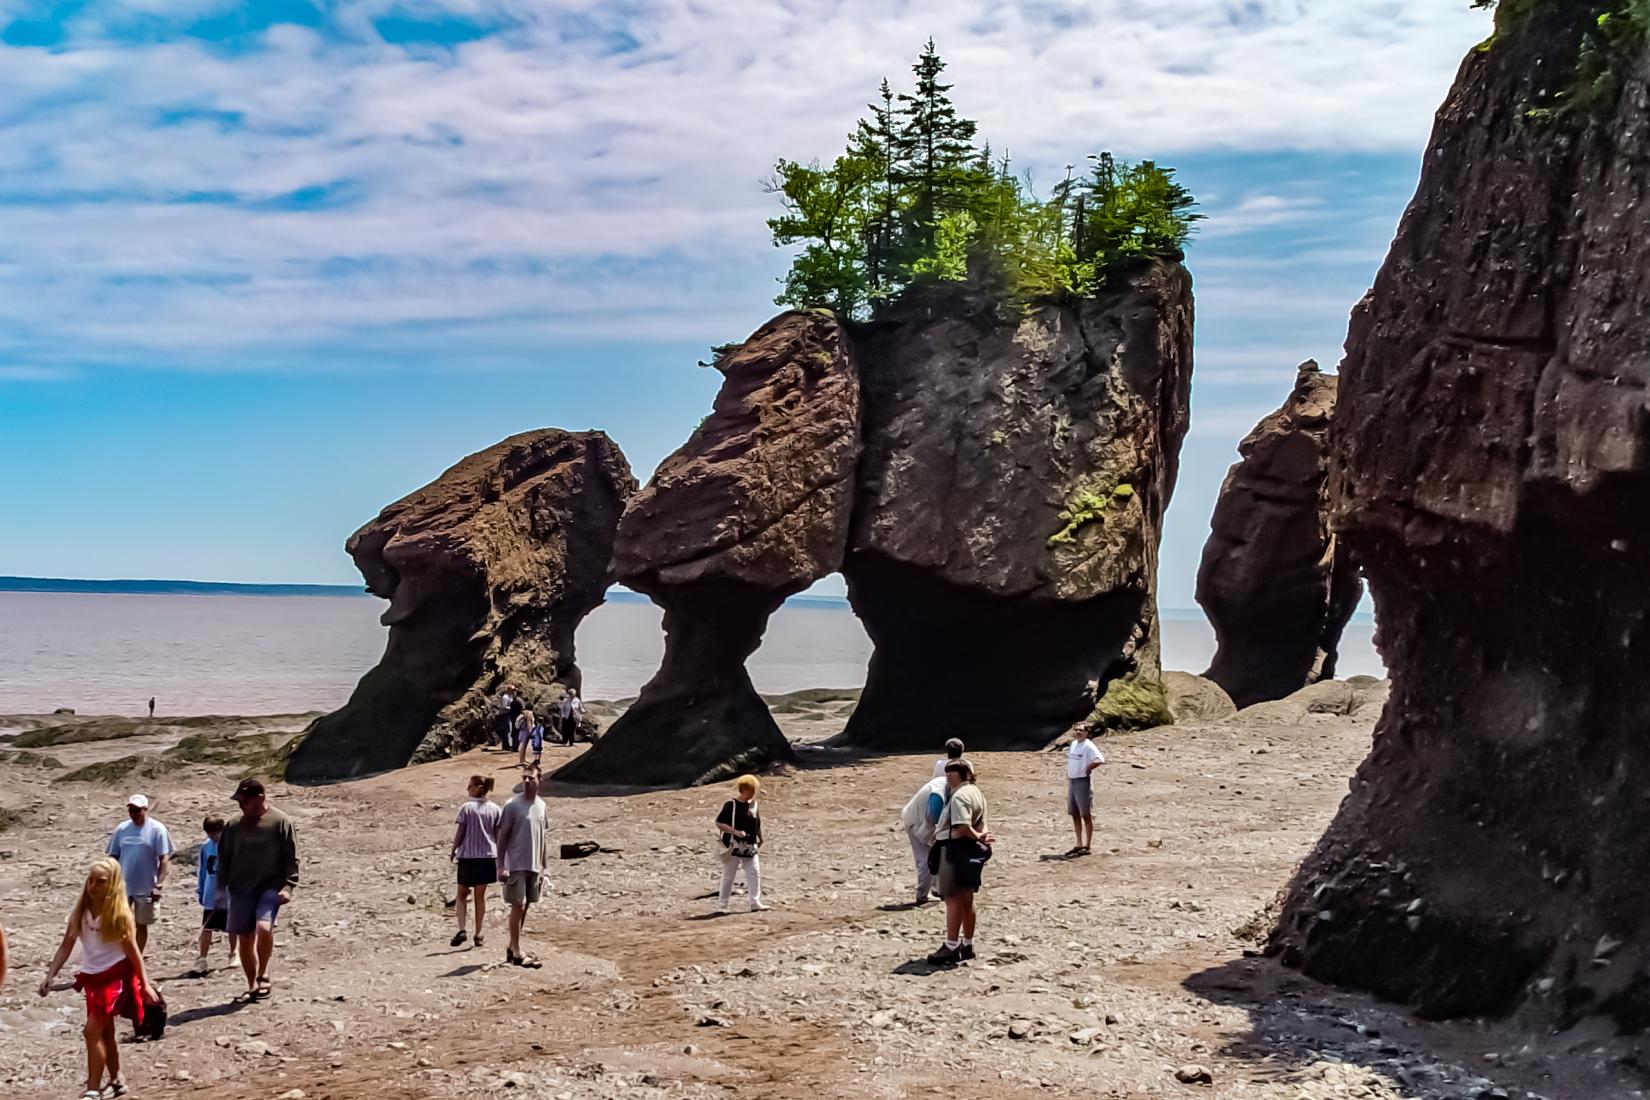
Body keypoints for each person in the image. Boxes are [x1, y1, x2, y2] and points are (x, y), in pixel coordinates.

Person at [38, 858, 157, 1099]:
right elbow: (66, 945)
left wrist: (145, 984)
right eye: (90, 880)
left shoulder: (119, 916)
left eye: (100, 882)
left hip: (116, 976)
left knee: (91, 1032)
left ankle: (93, 1089)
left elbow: (134, 953)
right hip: (92, 976)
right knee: (105, 1033)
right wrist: (50, 975)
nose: (93, 886)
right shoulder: (81, 912)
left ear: (111, 884)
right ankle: (117, 1080)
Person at [218, 778, 299, 1001]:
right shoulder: (232, 826)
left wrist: (288, 887)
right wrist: (219, 888)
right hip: (240, 889)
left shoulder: (280, 821)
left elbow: (291, 857)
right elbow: (223, 859)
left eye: (245, 801)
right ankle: (252, 983)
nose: (241, 806)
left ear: (261, 799)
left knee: (263, 928)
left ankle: (264, 972)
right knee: (244, 938)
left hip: (270, 887)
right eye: (239, 802)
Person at [926, 759, 992, 966]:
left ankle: (952, 945)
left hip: (955, 849)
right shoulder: (976, 792)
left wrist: (977, 837)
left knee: (952, 897)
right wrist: (981, 836)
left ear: (961, 775)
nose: (947, 778)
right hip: (969, 850)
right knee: (967, 896)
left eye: (950, 774)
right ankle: (968, 943)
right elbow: (981, 822)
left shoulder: (960, 796)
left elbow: (963, 827)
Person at [495, 768, 551, 968]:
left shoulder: (542, 805)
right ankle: (517, 952)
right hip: (516, 864)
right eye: (524, 778)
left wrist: (545, 865)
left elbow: (543, 836)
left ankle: (513, 946)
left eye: (531, 778)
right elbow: (501, 837)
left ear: (539, 780)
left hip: (534, 865)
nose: (527, 781)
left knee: (527, 904)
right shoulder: (512, 805)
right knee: (517, 905)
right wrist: (500, 865)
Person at [105, 794, 172, 953]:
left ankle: (137, 955)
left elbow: (164, 859)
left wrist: (159, 885)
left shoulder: (157, 829)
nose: (134, 814)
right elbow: (113, 855)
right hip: (123, 884)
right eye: (131, 810)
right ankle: (121, 953)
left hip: (146, 885)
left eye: (137, 810)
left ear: (145, 810)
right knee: (119, 921)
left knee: (141, 923)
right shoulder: (122, 829)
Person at [450, 774, 501, 948]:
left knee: (461, 894)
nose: (468, 788)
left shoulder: (467, 808)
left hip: (468, 856)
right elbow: (497, 834)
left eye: (470, 786)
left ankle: (462, 927)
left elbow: (461, 831)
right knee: (480, 897)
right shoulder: (495, 809)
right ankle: (478, 933)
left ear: (478, 787)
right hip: (487, 857)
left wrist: (453, 849)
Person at [715, 774, 767, 913]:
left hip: (750, 846)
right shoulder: (730, 805)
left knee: (754, 873)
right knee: (728, 876)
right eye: (751, 789)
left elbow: (757, 823)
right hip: (733, 846)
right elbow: (719, 823)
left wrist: (760, 837)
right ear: (744, 789)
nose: (753, 792)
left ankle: (755, 902)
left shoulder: (754, 805)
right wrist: (735, 832)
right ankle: (722, 905)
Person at [190, 815, 234, 976]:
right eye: (209, 833)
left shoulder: (231, 846)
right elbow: (202, 870)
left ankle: (233, 953)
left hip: (229, 893)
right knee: (207, 926)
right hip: (210, 892)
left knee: (232, 926)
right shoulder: (206, 847)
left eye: (215, 833)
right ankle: (202, 957)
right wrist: (201, 891)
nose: (212, 837)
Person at [899, 773, 948, 905]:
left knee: (934, 857)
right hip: (917, 822)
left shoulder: (943, 782)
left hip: (916, 818)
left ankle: (936, 888)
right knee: (926, 860)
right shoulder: (940, 793)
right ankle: (923, 895)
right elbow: (933, 818)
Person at [1065, 723, 1105, 856]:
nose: (1078, 732)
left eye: (1081, 730)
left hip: (1082, 781)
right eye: (1076, 730)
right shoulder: (1074, 744)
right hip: (1072, 781)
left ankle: (1087, 845)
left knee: (1085, 814)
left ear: (1087, 732)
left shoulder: (1088, 746)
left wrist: (1088, 768)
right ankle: (1078, 843)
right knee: (1074, 814)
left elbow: (1100, 759)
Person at [515, 704, 540, 768]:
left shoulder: (523, 712)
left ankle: (523, 760)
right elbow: (529, 723)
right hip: (526, 731)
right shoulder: (529, 713)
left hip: (522, 730)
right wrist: (530, 732)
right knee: (523, 746)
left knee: (523, 746)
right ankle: (521, 761)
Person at [496, 685, 516, 752]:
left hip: (509, 714)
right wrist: (512, 709)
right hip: (505, 715)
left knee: (508, 730)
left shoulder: (511, 697)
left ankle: (507, 745)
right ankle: (507, 745)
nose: (514, 691)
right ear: (508, 690)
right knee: (508, 730)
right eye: (512, 690)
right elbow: (504, 706)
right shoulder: (505, 697)